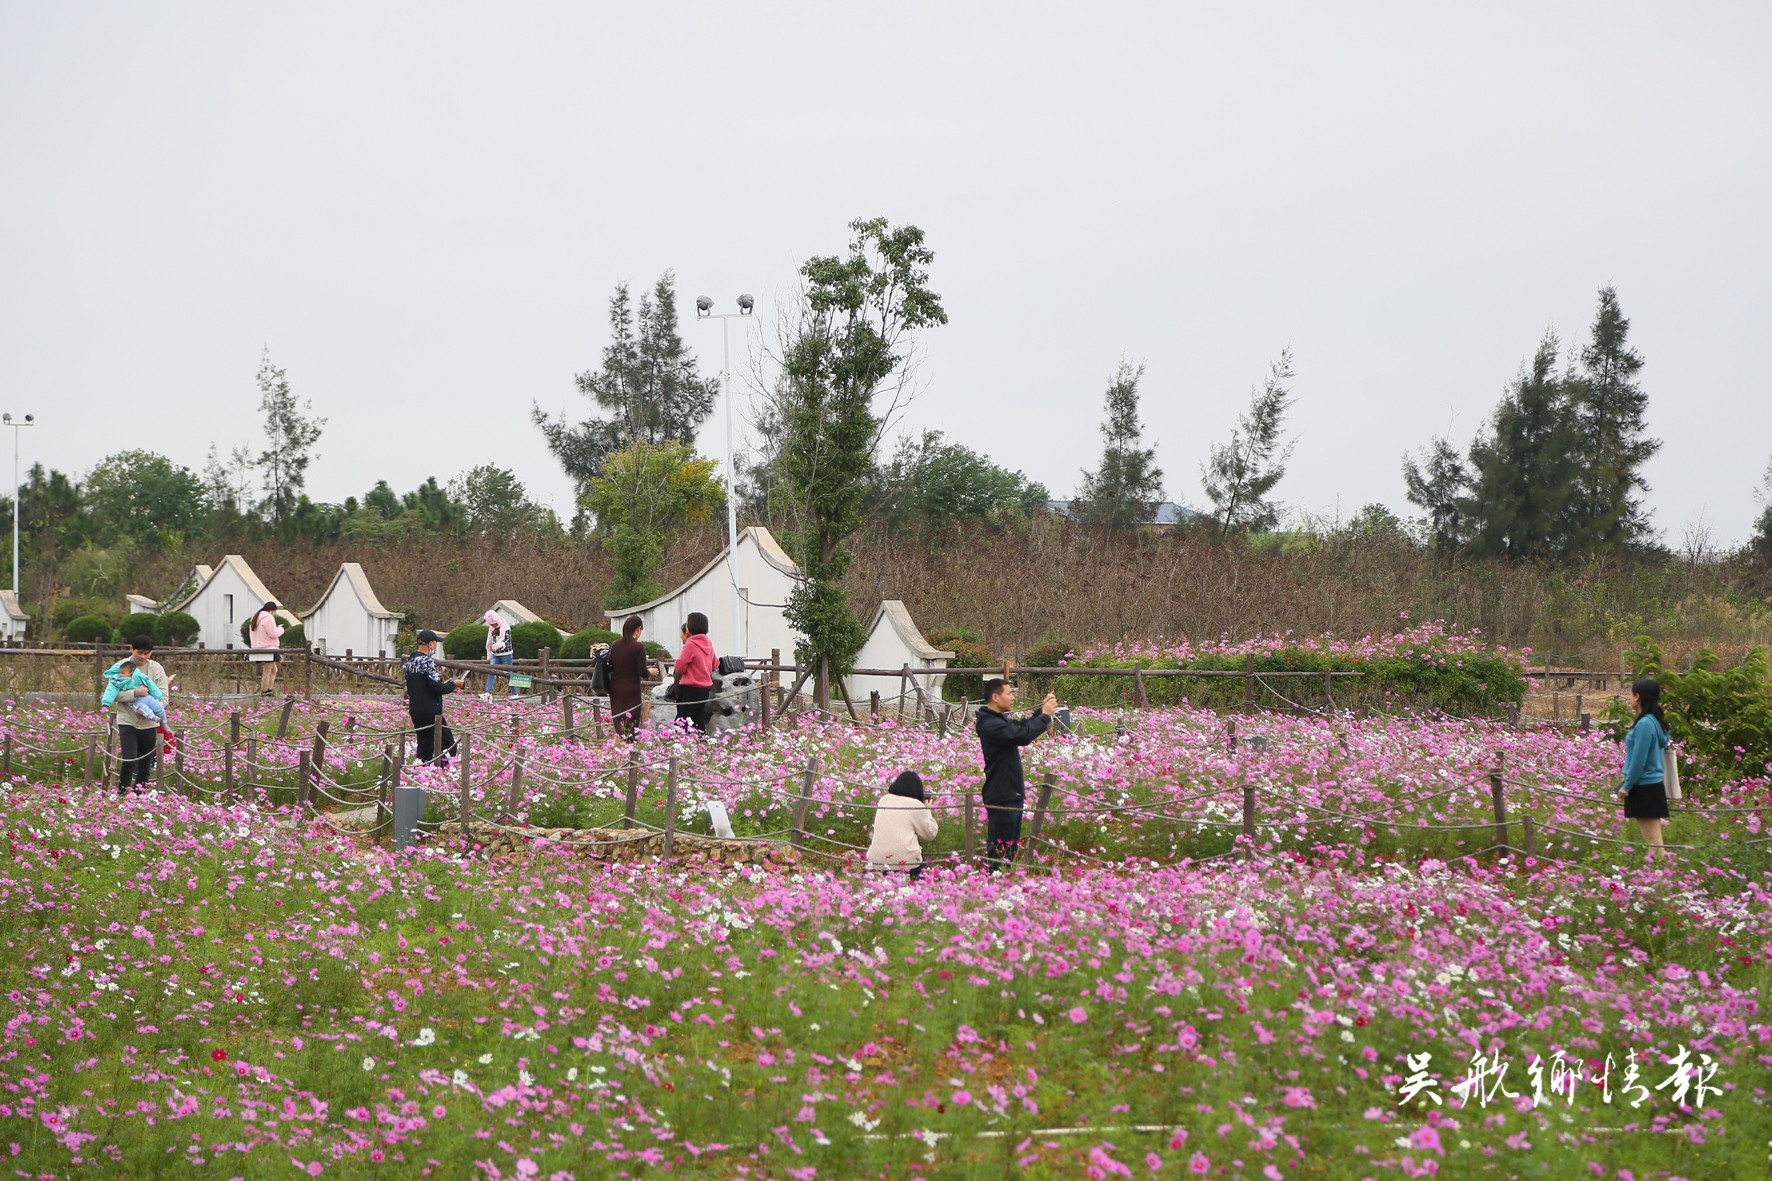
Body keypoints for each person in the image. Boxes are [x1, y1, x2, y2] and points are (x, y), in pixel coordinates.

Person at [975, 677, 1057, 871]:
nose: (1013, 698)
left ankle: (1002, 879)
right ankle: (995, 880)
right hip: (1003, 793)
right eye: (1009, 693)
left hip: (1009, 791)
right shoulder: (991, 725)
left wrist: (1041, 711)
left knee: (1008, 846)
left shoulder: (996, 720)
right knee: (1001, 847)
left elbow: (1021, 727)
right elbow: (1022, 736)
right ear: (995, 697)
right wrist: (1044, 717)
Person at [100, 635, 170, 794]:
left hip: (149, 722)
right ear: (131, 649)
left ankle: (140, 797)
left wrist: (150, 711)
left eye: (147, 653)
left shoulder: (157, 669)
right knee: (129, 759)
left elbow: (164, 696)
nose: (143, 657)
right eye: (140, 652)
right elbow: (113, 695)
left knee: (146, 763)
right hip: (127, 721)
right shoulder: (121, 667)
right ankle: (123, 793)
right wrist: (135, 693)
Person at [1617, 676, 1671, 848]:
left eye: (1632, 695)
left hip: (1644, 786)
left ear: (1638, 697)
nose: (1630, 699)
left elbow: (1639, 760)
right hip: (1651, 785)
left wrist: (1627, 786)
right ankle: (1658, 871)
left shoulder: (1645, 724)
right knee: (1653, 841)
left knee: (1653, 844)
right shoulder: (1655, 722)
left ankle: (1659, 872)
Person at [405, 629, 466, 766]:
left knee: (425, 745)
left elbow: (425, 685)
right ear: (430, 644)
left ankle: (421, 773)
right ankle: (444, 774)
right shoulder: (428, 662)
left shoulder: (411, 661)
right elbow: (436, 688)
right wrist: (453, 685)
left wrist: (443, 684)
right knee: (448, 744)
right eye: (436, 643)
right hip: (431, 711)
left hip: (416, 709)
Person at [866, 770, 940, 882]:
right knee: (923, 869)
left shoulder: (884, 800)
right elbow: (930, 834)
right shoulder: (916, 805)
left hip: (875, 860)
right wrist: (927, 810)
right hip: (903, 863)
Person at [607, 614, 653, 738]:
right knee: (631, 720)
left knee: (618, 717)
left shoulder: (615, 645)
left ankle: (619, 743)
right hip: (632, 688)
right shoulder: (638, 647)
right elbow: (641, 671)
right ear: (638, 629)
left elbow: (610, 665)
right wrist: (650, 672)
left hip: (616, 687)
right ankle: (630, 746)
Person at [673, 612, 716, 734]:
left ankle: (672, 744)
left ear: (691, 626)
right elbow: (714, 663)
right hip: (704, 689)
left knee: (681, 720)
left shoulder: (691, 643)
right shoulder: (708, 643)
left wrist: (678, 665)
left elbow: (680, 666)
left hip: (690, 688)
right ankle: (701, 745)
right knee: (698, 720)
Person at [248, 602, 285, 695]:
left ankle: (269, 689)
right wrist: (280, 629)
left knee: (273, 670)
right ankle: (265, 691)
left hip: (258, 646)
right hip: (268, 647)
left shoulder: (256, 617)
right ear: (272, 610)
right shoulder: (268, 618)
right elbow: (273, 633)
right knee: (268, 670)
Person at [482, 609, 516, 700]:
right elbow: (490, 640)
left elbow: (507, 639)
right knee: (491, 672)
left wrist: (500, 644)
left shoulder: (506, 627)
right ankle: (489, 692)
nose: (492, 626)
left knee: (508, 673)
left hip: (506, 654)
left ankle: (514, 693)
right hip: (495, 654)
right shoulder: (492, 629)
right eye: (491, 624)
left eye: (493, 624)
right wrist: (490, 651)